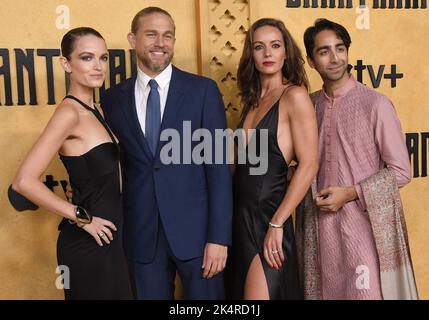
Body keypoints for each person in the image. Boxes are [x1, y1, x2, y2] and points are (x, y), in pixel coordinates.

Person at [101, 7, 233, 299]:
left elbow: (219, 170)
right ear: (132, 39)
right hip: (141, 235)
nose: (160, 42)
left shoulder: (203, 92)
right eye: (151, 34)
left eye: (168, 35)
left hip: (199, 237)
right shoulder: (112, 99)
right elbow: (112, 165)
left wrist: (219, 238)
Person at [299, 18, 417, 300]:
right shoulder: (307, 106)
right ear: (311, 61)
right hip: (319, 231)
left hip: (364, 228)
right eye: (324, 51)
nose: (335, 58)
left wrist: (351, 193)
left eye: (340, 48)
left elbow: (402, 171)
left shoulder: (375, 104)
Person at [11, 27, 131, 299]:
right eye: (87, 58)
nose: (98, 66)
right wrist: (81, 218)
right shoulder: (69, 113)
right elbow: (23, 181)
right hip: (88, 243)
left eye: (103, 58)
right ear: (66, 63)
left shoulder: (98, 109)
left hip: (113, 238)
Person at [225, 18, 318, 300]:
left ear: (286, 52)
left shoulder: (295, 97)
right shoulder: (251, 102)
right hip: (238, 222)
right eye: (259, 47)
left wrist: (277, 223)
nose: (268, 53)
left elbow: (309, 164)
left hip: (268, 222)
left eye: (275, 46)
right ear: (250, 55)